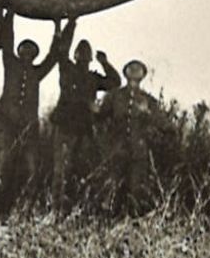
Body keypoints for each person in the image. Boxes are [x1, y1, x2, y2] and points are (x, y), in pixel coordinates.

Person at [0, 15, 67, 194]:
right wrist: (9, 14)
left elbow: (53, 56)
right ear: (19, 52)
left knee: (31, 164)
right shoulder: (10, 64)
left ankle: (28, 199)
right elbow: (7, 40)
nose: (27, 54)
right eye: (24, 50)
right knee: (0, 162)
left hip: (28, 124)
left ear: (34, 56)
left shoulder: (37, 72)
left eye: (31, 52)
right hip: (6, 119)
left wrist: (58, 29)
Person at [49, 21, 121, 201]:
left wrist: (105, 63)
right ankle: (56, 206)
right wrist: (69, 25)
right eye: (81, 54)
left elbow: (115, 82)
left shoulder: (92, 78)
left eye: (85, 54)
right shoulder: (67, 68)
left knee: (79, 167)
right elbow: (61, 49)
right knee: (60, 170)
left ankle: (74, 203)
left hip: (83, 129)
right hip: (65, 126)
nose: (83, 58)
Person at [101, 58, 170, 207]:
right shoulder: (115, 96)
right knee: (111, 188)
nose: (134, 70)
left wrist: (148, 113)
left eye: (138, 68)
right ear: (125, 73)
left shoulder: (149, 100)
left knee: (136, 190)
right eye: (131, 68)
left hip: (138, 152)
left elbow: (164, 125)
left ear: (144, 75)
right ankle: (106, 222)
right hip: (117, 150)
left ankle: (134, 223)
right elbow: (100, 116)